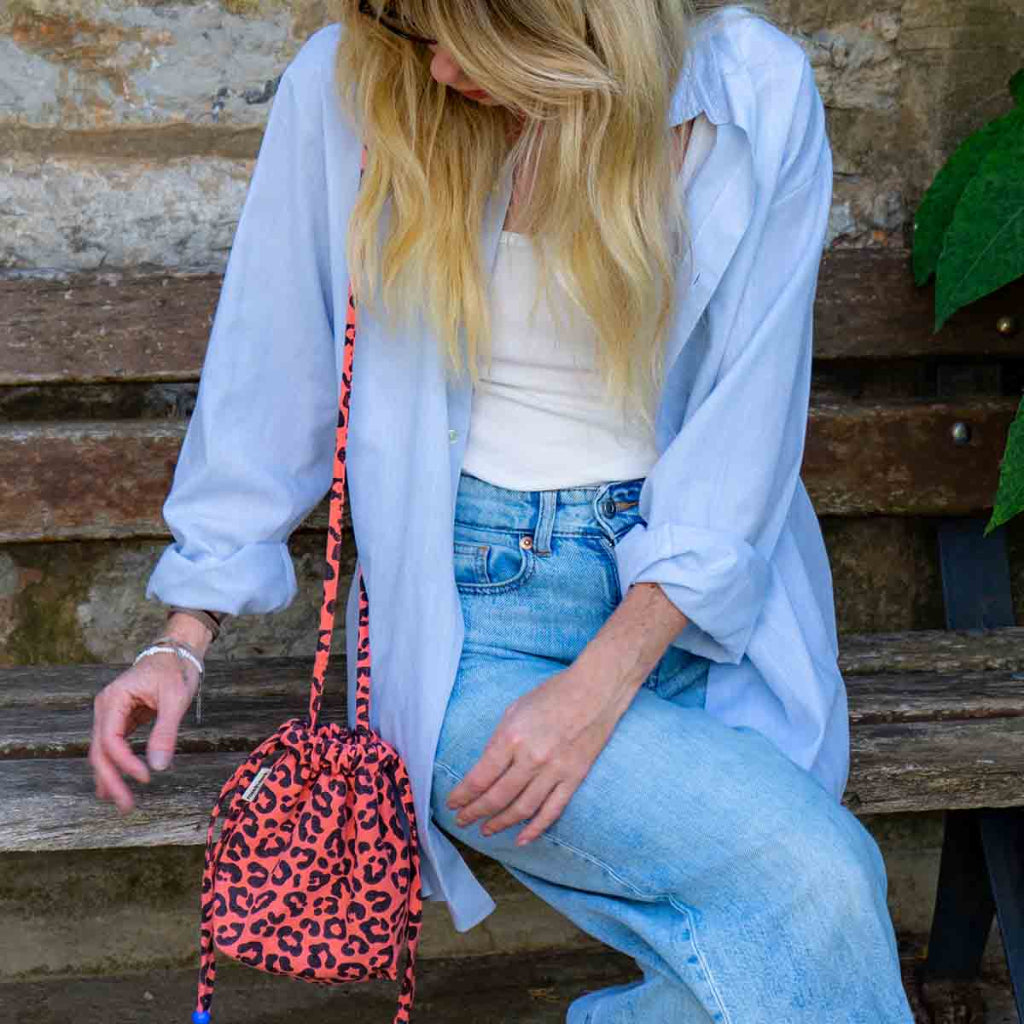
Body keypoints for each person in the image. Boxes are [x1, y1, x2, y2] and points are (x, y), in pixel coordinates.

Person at [89, 1, 917, 1019]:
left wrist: (597, 688)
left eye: (463, 36)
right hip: (468, 632)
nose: (436, 69)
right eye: (414, 31)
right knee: (814, 881)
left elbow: (746, 427)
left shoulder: (751, 92)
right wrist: (181, 638)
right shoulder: (355, 85)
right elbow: (270, 375)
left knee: (760, 958)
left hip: (702, 619)